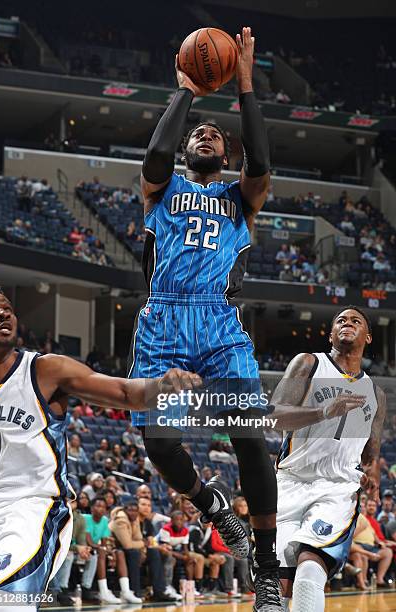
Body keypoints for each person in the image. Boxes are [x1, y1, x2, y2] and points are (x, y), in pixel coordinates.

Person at [129, 26, 283, 610]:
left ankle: (266, 570)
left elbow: (262, 158)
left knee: (251, 440)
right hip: (165, 325)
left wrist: (244, 85)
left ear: (227, 155)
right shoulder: (160, 189)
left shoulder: (239, 199)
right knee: (158, 442)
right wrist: (188, 92)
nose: (207, 134)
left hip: (218, 327)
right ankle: (209, 501)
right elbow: (155, 154)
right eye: (199, 132)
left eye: (217, 134)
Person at [0, 282, 199, 611]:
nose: (3, 313)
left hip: (30, 509)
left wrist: (163, 386)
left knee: (5, 603)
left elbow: (127, 394)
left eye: (8, 309)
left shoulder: (44, 370)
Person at [274, 307, 386, 612]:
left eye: (355, 321)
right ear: (331, 333)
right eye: (341, 320)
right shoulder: (309, 363)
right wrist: (323, 411)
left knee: (310, 570)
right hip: (290, 482)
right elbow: (274, 417)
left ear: (368, 336)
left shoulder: (376, 393)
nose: (347, 323)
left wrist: (372, 474)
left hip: (337, 488)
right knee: (276, 585)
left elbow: (372, 450)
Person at [84, 497, 141, 604]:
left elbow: (104, 541)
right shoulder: (86, 518)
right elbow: (89, 541)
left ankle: (125, 591)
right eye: (98, 506)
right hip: (84, 546)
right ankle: (103, 591)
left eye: (103, 507)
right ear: (91, 508)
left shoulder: (105, 520)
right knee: (101, 551)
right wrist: (103, 549)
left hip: (96, 548)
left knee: (119, 552)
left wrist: (110, 552)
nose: (100, 509)